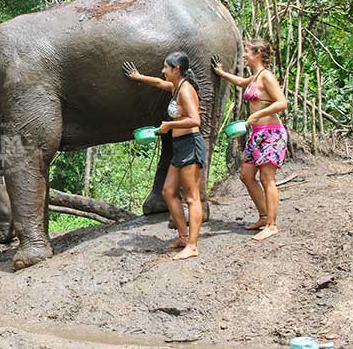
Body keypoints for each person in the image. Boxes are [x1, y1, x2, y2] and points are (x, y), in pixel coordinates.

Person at [123, 52, 206, 260]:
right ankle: (183, 236)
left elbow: (195, 120)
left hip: (190, 145)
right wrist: (139, 77)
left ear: (176, 68)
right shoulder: (176, 87)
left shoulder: (186, 90)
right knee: (168, 191)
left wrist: (170, 125)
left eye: (166, 67)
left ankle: (193, 246)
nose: (163, 71)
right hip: (179, 146)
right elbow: (160, 83)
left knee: (192, 197)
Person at [211, 39, 287, 241]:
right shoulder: (255, 77)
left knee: (267, 179)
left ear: (258, 53)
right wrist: (221, 74)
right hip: (256, 134)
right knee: (246, 175)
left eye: (247, 52)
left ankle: (272, 225)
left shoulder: (267, 77)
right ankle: (263, 216)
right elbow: (241, 82)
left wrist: (256, 115)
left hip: (272, 133)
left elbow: (282, 103)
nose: (244, 55)